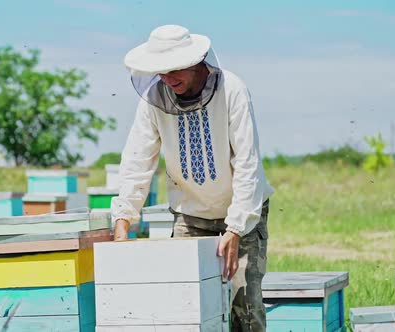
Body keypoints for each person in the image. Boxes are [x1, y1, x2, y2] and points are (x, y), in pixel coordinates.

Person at [110, 24, 275, 331]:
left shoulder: (233, 90)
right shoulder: (152, 100)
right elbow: (137, 160)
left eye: (174, 70)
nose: (167, 79)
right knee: (185, 308)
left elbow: (247, 163)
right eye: (160, 72)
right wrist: (123, 219)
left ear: (197, 61)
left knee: (245, 306)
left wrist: (236, 227)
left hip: (243, 216)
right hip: (190, 217)